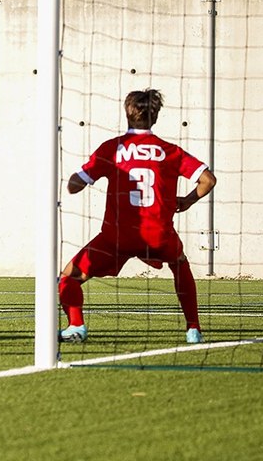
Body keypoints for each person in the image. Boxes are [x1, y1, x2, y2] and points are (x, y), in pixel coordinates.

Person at [59, 89, 217, 345]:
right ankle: (193, 329)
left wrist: (77, 180)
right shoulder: (170, 151)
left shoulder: (112, 149)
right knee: (179, 263)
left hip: (116, 237)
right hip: (159, 236)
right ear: (155, 116)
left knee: (69, 277)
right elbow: (208, 180)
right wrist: (187, 201)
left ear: (128, 112)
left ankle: (76, 325)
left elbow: (75, 185)